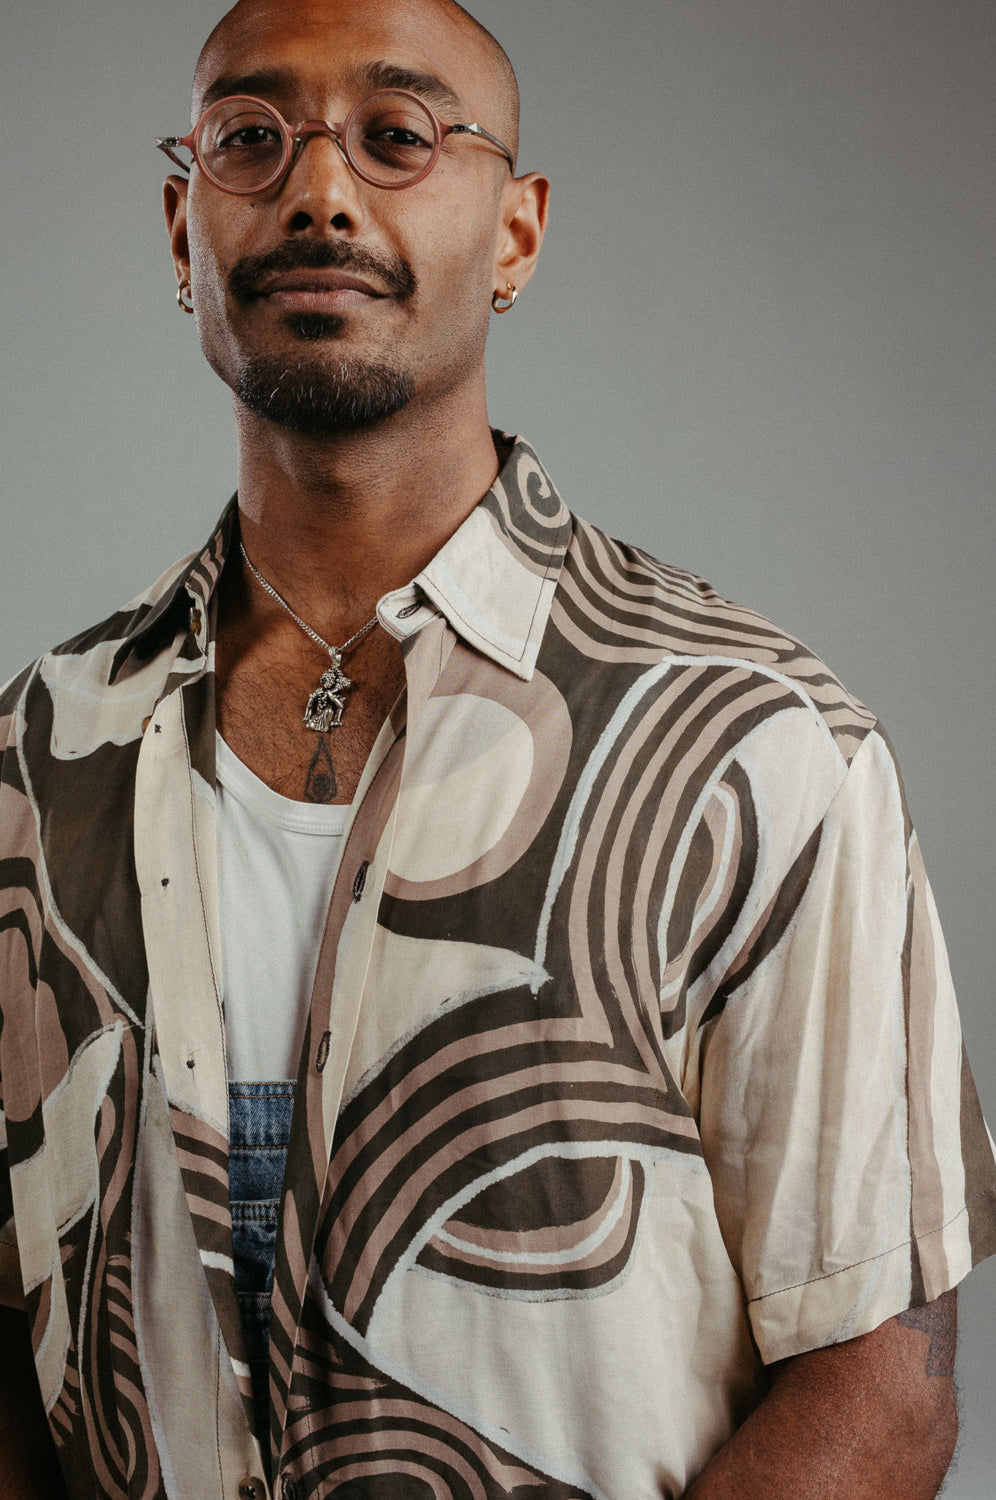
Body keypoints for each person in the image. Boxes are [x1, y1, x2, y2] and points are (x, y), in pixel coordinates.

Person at [1, 0, 994, 1495]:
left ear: (517, 235)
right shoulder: (34, 757)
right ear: (178, 225)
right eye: (248, 141)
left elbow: (878, 1389)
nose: (319, 192)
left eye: (398, 138)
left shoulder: (758, 749)